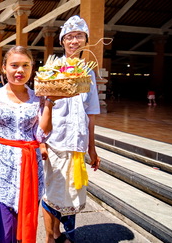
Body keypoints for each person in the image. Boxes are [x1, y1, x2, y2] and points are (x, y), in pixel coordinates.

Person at [0, 46, 62, 243]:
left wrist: (49, 104)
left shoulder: (37, 97)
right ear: (4, 67)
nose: (19, 71)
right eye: (14, 65)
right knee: (2, 227)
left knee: (23, 225)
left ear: (32, 68)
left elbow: (41, 135)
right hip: (1, 169)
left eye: (25, 65)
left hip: (30, 168)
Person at [41, 15, 101, 243]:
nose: (74, 41)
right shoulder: (52, 68)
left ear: (85, 40)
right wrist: (41, 141)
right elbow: (41, 107)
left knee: (71, 194)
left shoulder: (89, 72)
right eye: (69, 37)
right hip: (55, 142)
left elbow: (91, 114)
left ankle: (59, 233)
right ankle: (49, 237)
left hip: (77, 144)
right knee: (52, 192)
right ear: (62, 41)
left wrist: (92, 148)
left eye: (79, 36)